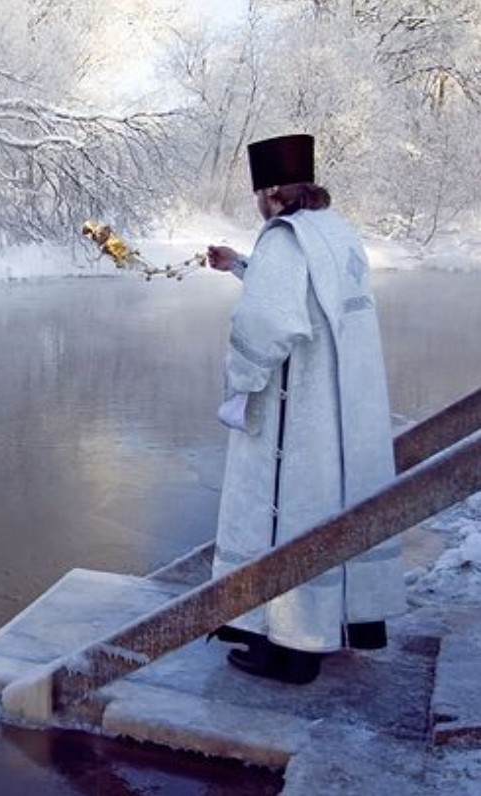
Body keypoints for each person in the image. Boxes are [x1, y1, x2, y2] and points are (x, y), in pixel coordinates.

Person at [206, 133, 406, 685]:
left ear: (272, 192)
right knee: (327, 511)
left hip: (295, 418)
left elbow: (268, 321)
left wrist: (238, 383)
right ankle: (326, 627)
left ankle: (291, 649)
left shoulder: (284, 238)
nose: (258, 204)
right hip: (340, 412)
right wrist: (240, 265)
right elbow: (302, 291)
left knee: (285, 517)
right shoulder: (334, 232)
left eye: (259, 195)